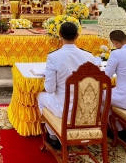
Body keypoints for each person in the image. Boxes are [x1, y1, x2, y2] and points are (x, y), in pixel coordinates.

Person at [38, 22, 95, 150]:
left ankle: (53, 136)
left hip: (64, 110)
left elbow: (50, 89)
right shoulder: (89, 56)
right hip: (87, 111)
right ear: (77, 35)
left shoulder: (54, 57)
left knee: (40, 96)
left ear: (59, 35)